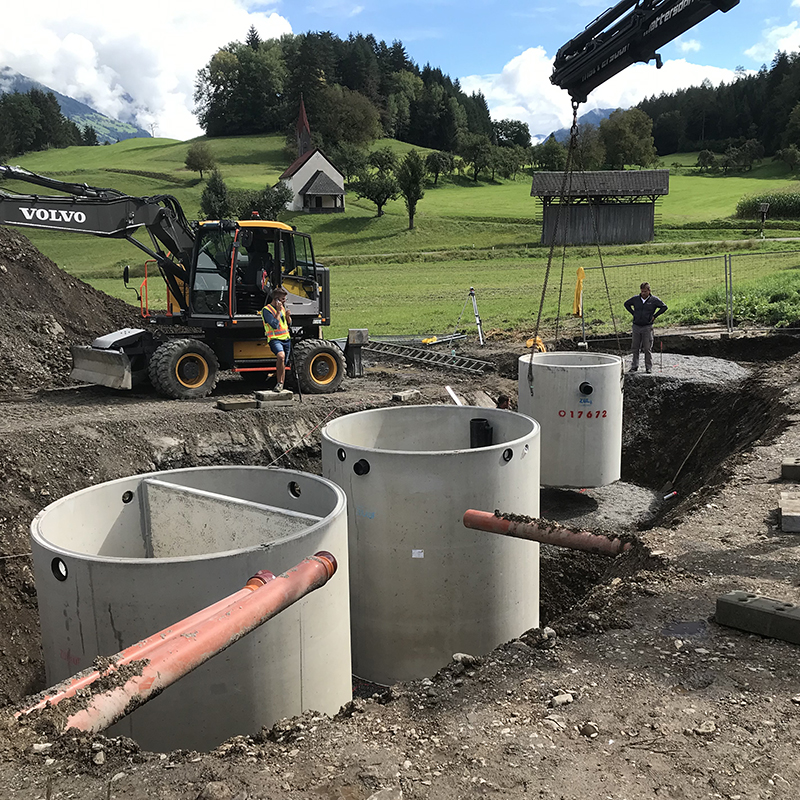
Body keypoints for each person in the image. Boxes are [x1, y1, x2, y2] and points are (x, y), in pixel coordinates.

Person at [624, 282, 667, 374]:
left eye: (645, 291)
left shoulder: (654, 300)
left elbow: (664, 307)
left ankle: (648, 367)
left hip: (647, 327)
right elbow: (626, 304)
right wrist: (633, 313)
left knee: (647, 348)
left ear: (649, 291)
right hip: (636, 326)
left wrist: (655, 316)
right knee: (635, 347)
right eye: (642, 291)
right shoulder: (636, 299)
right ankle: (634, 366)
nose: (643, 293)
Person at [261, 287, 292, 392]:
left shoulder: (282, 308)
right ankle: (279, 383)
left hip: (286, 338)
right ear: (276, 299)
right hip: (275, 339)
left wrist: (288, 317)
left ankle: (281, 383)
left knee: (284, 363)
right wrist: (278, 312)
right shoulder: (266, 310)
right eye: (283, 299)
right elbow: (274, 325)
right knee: (281, 356)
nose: (284, 301)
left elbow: (287, 323)